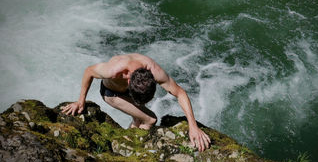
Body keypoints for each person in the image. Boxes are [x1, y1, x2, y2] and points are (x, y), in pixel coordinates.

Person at [62, 53, 210, 151]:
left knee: (139, 119)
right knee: (150, 119)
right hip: (111, 93)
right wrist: (80, 101)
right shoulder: (114, 71)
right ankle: (130, 147)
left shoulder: (154, 71)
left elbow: (180, 92)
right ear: (128, 81)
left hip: (129, 90)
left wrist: (193, 126)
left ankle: (126, 138)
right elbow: (89, 71)